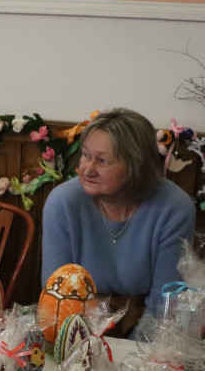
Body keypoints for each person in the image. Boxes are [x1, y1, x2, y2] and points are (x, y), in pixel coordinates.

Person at [41, 108, 196, 330]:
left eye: (102, 161)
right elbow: (55, 297)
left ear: (136, 167)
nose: (87, 170)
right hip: (75, 333)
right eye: (86, 155)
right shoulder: (63, 203)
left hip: (149, 336)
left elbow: (165, 307)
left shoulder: (175, 209)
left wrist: (129, 359)